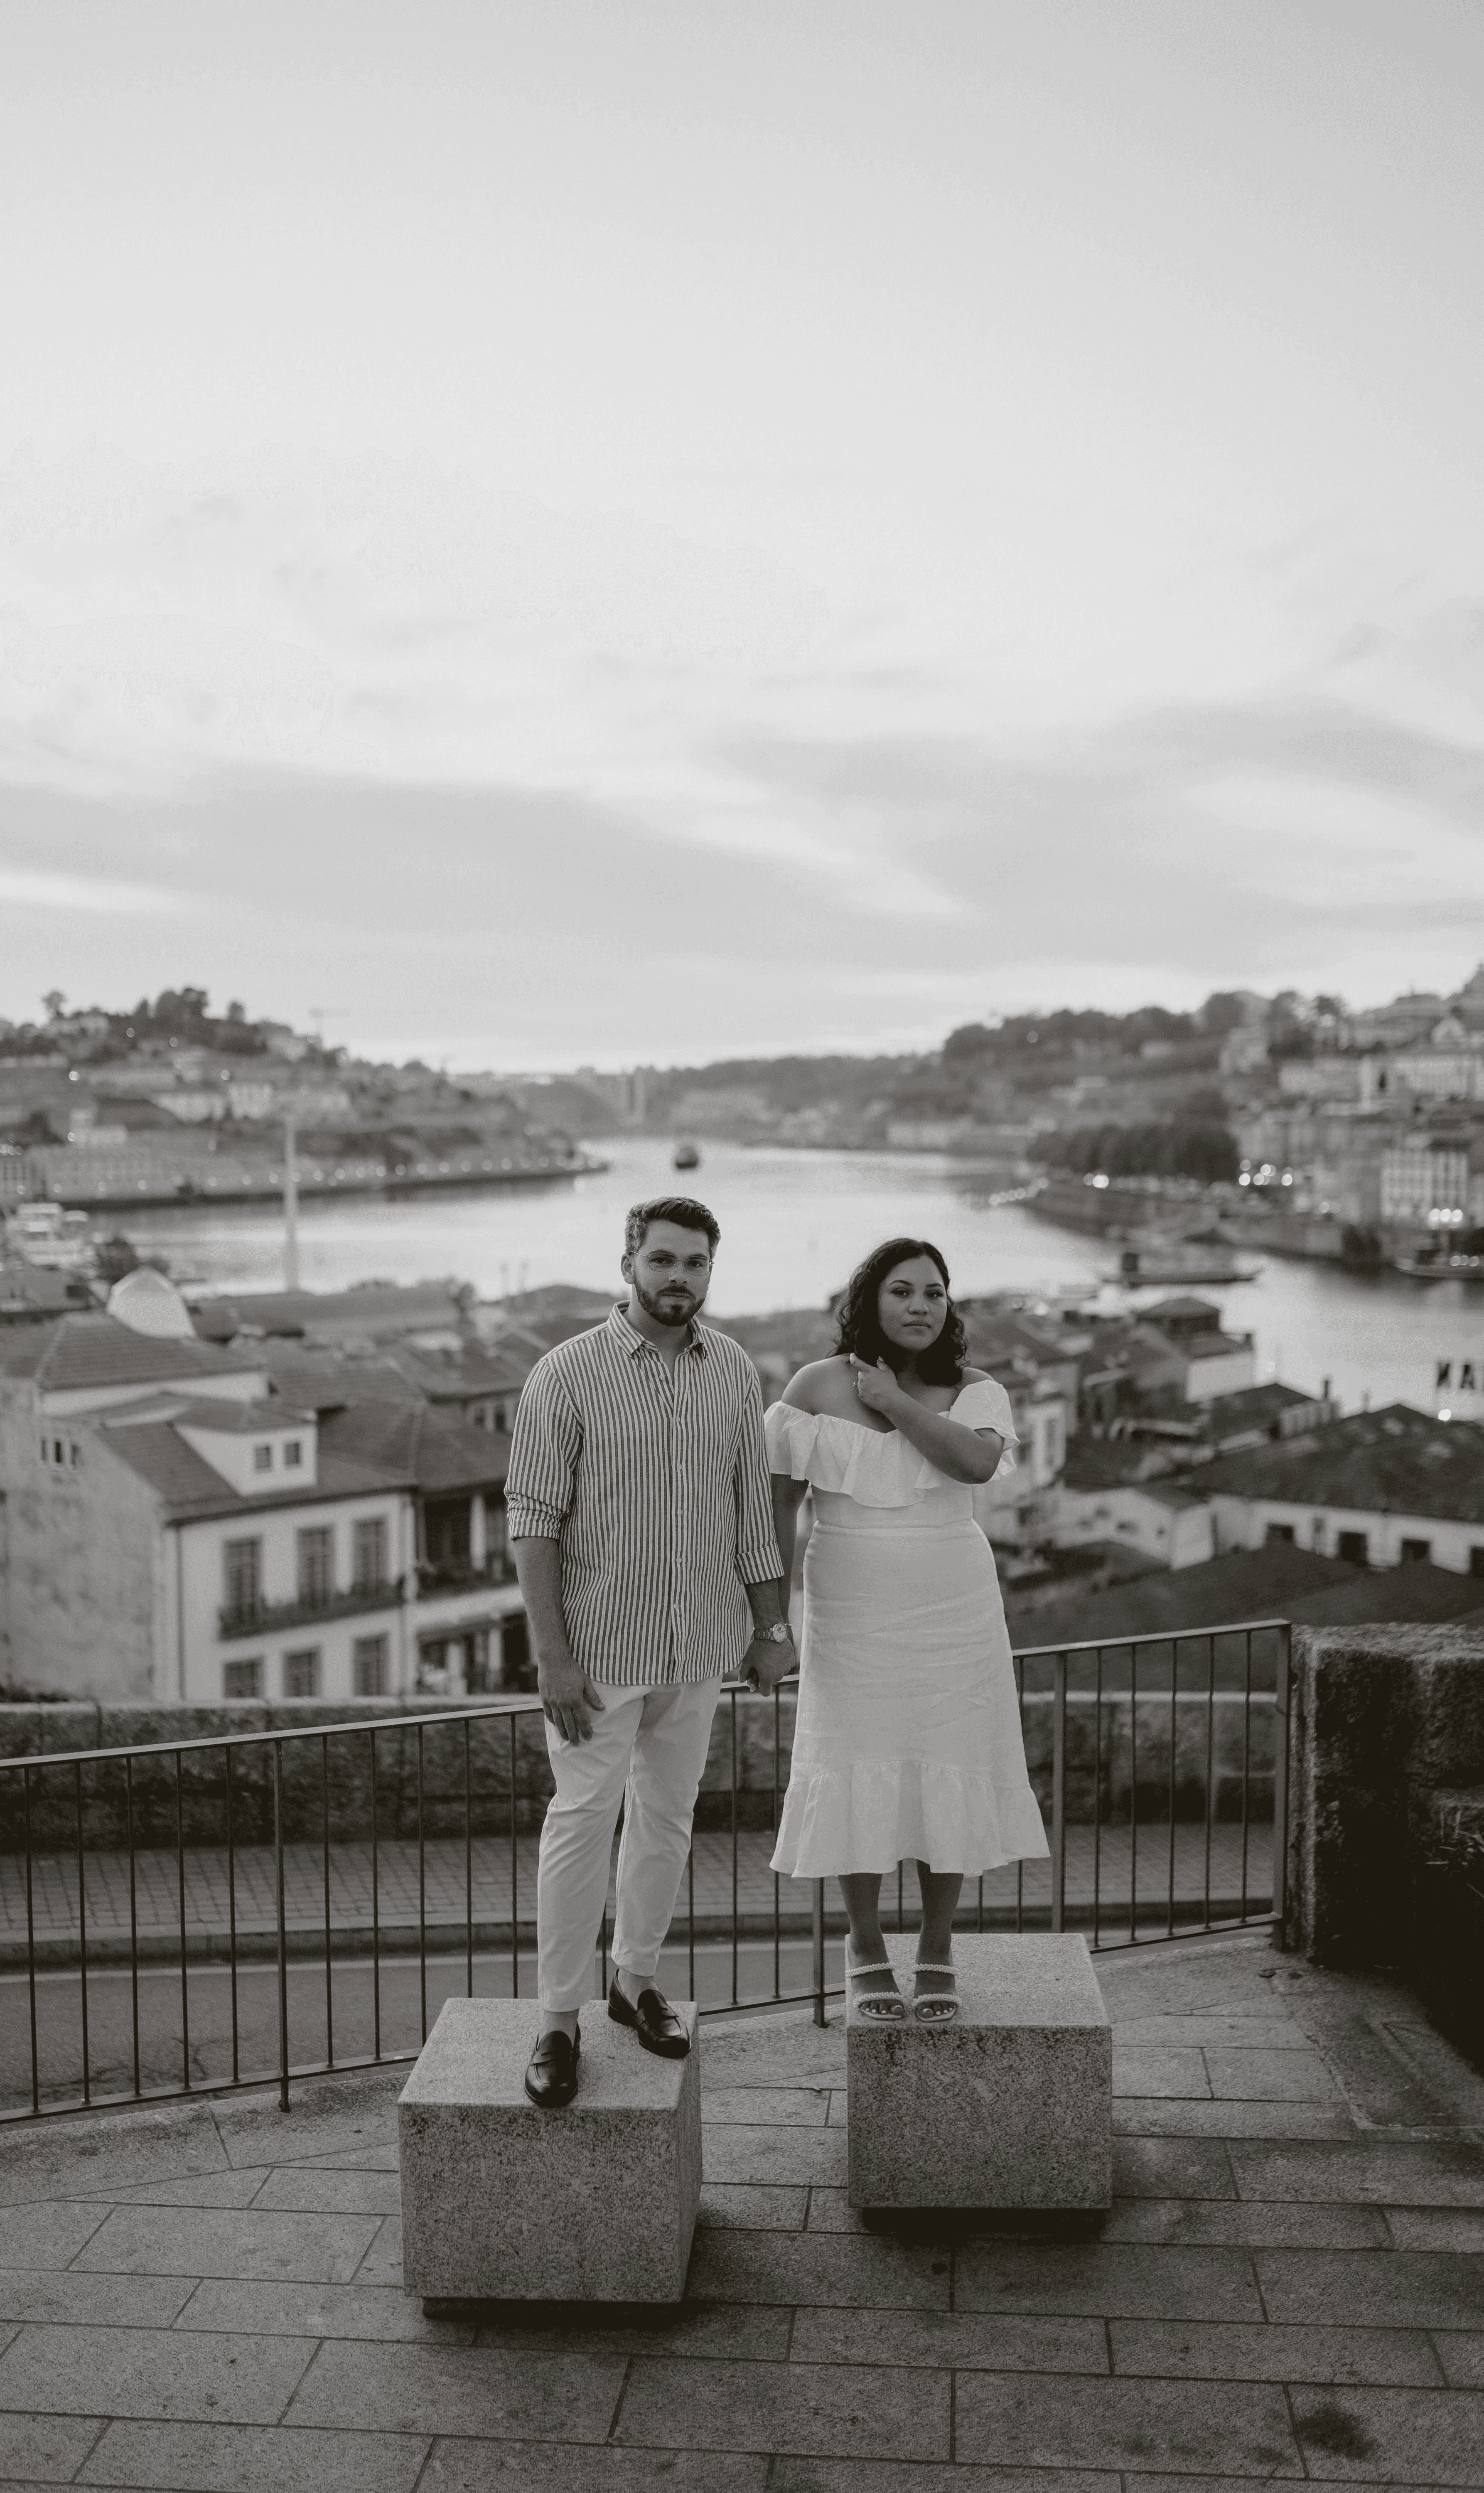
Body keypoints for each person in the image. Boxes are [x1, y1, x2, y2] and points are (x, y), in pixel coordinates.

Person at [507, 1196, 795, 2107]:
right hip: (597, 1652)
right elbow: (532, 1524)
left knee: (669, 1818)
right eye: (663, 1260)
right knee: (581, 1822)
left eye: (696, 1263)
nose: (679, 1277)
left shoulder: (735, 1371)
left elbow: (753, 1515)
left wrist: (770, 1628)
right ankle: (558, 2017)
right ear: (628, 1262)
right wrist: (551, 1657)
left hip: (700, 1642)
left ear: (712, 1270)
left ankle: (634, 1981)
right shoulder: (565, 1374)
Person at [766, 1236, 1048, 2025]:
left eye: (934, 1292)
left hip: (954, 1605)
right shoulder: (814, 1386)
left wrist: (894, 1403)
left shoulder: (979, 1389)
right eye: (902, 1291)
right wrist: (770, 1622)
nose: (920, 1306)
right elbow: (778, 1508)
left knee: (946, 1759)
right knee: (855, 1760)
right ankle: (864, 1945)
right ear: (870, 1300)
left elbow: (974, 1467)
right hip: (848, 1603)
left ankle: (936, 1945)